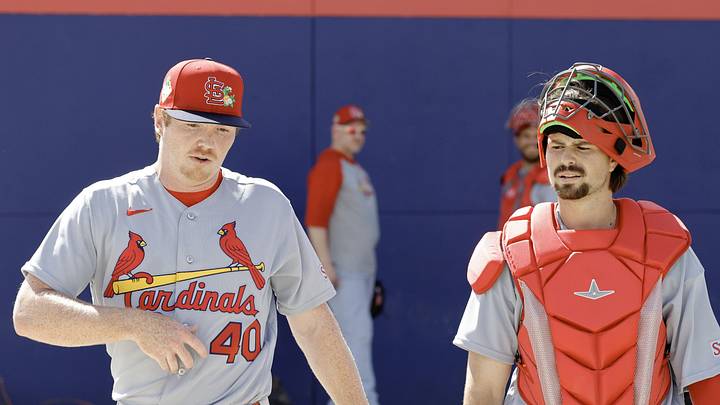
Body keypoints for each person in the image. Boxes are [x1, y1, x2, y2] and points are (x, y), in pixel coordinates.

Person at [12, 58, 367, 405]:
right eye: (193, 125)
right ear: (160, 120)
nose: (208, 142)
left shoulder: (266, 205)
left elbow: (314, 325)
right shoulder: (104, 204)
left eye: (222, 130)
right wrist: (135, 324)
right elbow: (30, 313)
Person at [454, 62, 720, 404]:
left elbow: (706, 378)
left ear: (614, 157)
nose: (566, 159)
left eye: (583, 147)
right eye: (557, 145)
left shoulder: (665, 248)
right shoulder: (511, 252)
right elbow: (483, 390)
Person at [305, 105, 380, 405]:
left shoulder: (353, 168)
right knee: (353, 347)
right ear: (335, 130)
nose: (358, 135)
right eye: (351, 128)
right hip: (343, 274)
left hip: (360, 274)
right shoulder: (330, 165)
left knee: (357, 343)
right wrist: (326, 266)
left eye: (362, 130)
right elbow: (316, 220)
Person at [497, 99, 555, 229]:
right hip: (507, 246)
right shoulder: (511, 175)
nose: (531, 141)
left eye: (536, 136)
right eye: (526, 136)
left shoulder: (553, 176)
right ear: (516, 139)